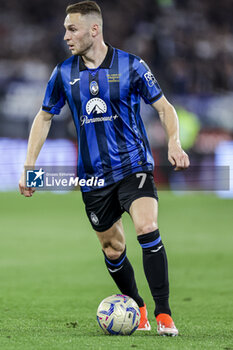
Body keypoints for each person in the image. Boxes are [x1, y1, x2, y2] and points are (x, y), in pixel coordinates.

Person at [19, 1, 190, 336]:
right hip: (93, 177)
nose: (65, 35)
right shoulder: (63, 73)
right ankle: (137, 306)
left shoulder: (132, 65)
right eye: (65, 29)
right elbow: (44, 116)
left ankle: (164, 314)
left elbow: (165, 107)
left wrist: (174, 142)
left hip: (133, 166)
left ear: (93, 30)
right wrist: (29, 166)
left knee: (146, 226)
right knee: (113, 247)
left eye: (72, 28)